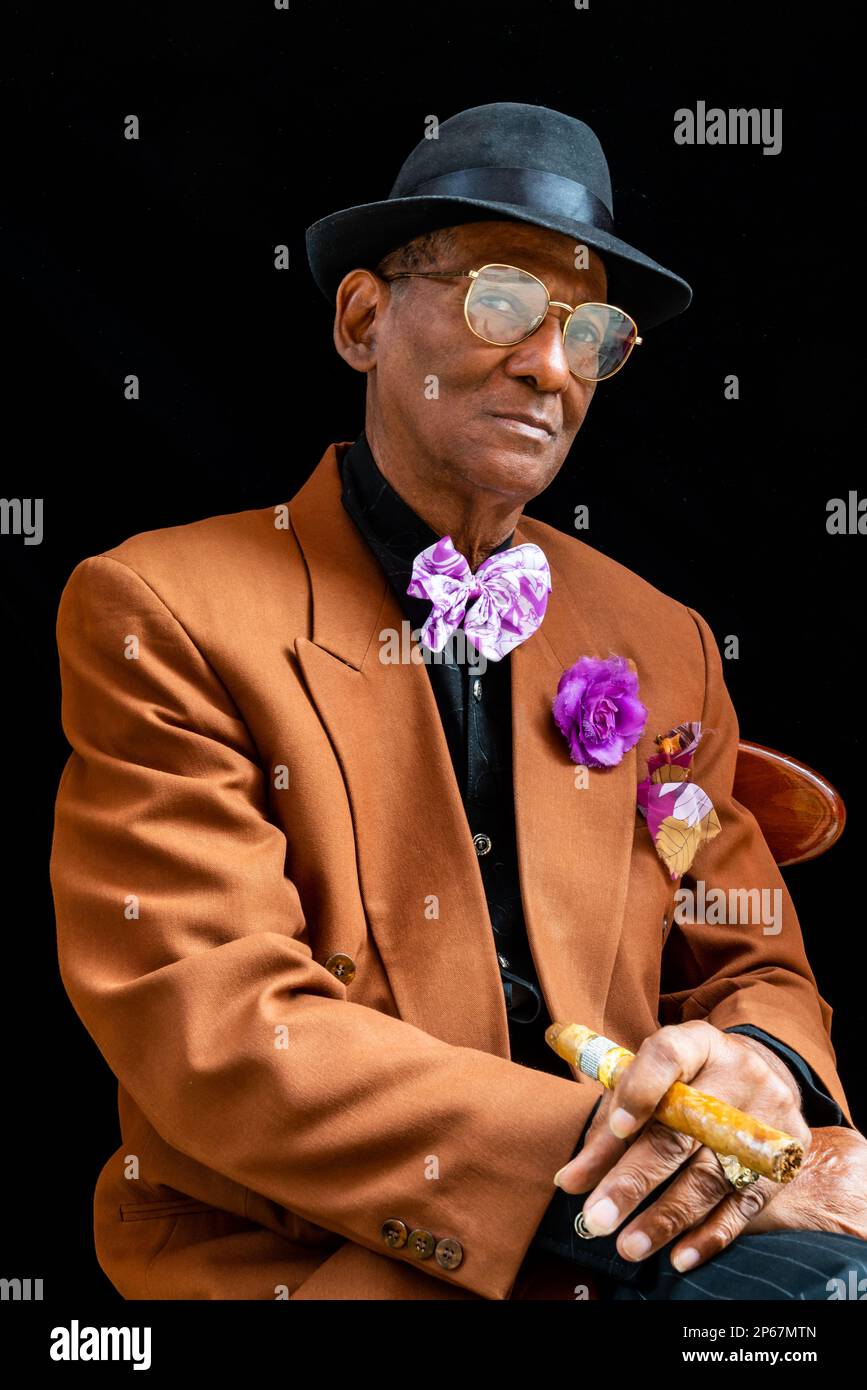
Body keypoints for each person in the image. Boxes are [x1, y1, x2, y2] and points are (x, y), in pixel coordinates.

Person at [50, 102, 867, 1301]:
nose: (550, 364)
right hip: (328, 1251)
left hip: (656, 1218)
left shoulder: (663, 641)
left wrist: (751, 1067)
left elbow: (749, 955)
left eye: (592, 334)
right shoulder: (162, 607)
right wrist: (625, 1161)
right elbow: (219, 1035)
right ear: (364, 319)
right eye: (500, 303)